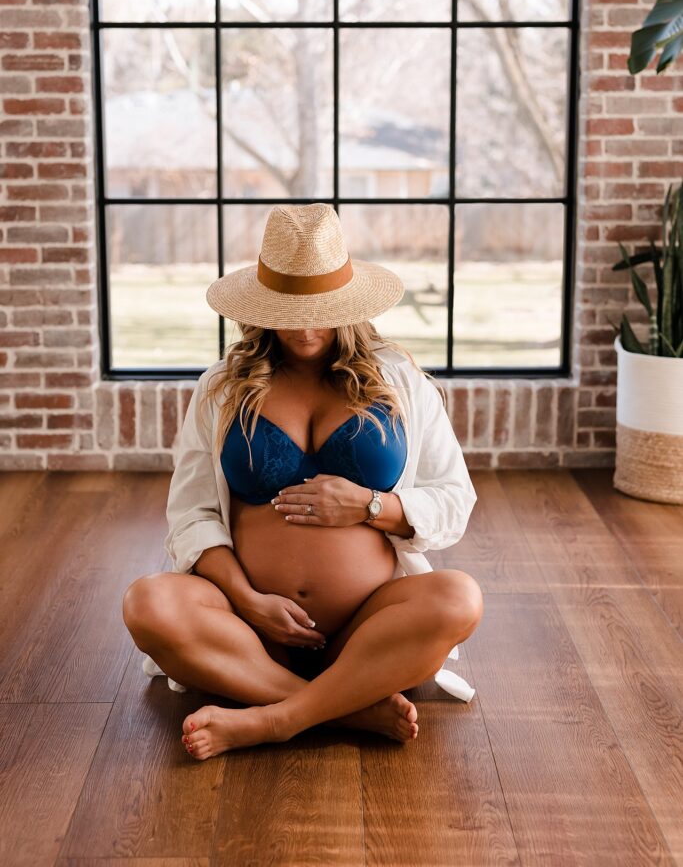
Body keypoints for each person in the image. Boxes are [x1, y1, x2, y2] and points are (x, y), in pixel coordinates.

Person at [122, 202, 482, 761]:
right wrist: (247, 600)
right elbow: (191, 514)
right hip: (251, 629)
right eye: (289, 309)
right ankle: (347, 707)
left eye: (321, 308)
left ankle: (277, 720)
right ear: (262, 307)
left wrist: (369, 506)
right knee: (147, 604)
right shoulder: (222, 387)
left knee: (459, 597)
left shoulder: (399, 382)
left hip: (369, 624)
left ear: (347, 304)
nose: (306, 326)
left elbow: (454, 498)